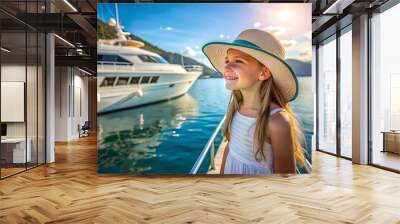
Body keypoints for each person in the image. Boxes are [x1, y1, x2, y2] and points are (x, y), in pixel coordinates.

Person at [202, 29, 306, 174]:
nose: (226, 67)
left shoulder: (277, 121)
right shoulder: (235, 107)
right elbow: (230, 148)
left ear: (263, 73)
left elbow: (286, 179)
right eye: (227, 61)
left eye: (238, 61)